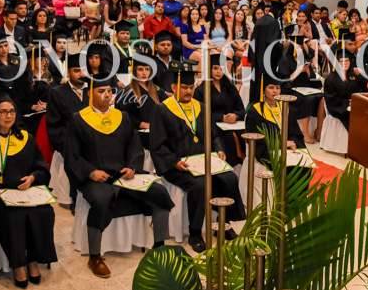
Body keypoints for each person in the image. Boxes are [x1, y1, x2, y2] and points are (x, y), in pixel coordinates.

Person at [65, 75, 174, 277]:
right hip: (96, 177)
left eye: (109, 91)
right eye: (101, 91)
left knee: (159, 191)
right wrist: (91, 172)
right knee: (101, 198)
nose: (107, 95)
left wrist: (132, 167)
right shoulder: (78, 119)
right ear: (90, 94)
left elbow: (134, 147)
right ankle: (95, 256)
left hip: (124, 176)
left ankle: (159, 247)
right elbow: (72, 155)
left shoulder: (122, 117)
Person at [149, 64, 245, 253]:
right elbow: (157, 145)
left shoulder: (201, 107)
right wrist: (174, 161)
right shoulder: (161, 110)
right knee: (199, 185)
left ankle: (223, 224)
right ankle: (194, 232)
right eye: (184, 88)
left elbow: (214, 135)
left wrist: (219, 150)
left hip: (204, 160)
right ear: (174, 88)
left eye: (191, 87)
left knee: (229, 177)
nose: (189, 91)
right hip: (179, 164)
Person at [0, 93, 57, 288]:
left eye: (11, 111)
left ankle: (33, 259)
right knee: (13, 216)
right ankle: (18, 263)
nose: (8, 116)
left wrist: (33, 178)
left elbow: (40, 166)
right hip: (0, 196)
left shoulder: (25, 138)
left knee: (44, 212)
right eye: (3, 112)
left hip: (26, 192)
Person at [44, 53, 89, 206]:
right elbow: (54, 125)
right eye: (77, 70)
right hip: (68, 146)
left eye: (84, 70)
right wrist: (70, 147)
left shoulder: (93, 92)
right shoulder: (57, 93)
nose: (81, 74)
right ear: (68, 72)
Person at [194, 62, 245, 166]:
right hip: (214, 126)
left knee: (244, 135)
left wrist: (236, 115)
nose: (219, 72)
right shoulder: (201, 90)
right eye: (215, 68)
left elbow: (241, 110)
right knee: (230, 137)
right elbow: (199, 114)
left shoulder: (230, 88)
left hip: (234, 124)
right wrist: (220, 118)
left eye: (221, 69)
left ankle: (244, 166)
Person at [323, 44, 367, 130]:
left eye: (347, 61)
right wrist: (347, 103)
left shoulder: (353, 76)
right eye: (341, 61)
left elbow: (360, 90)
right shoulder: (331, 79)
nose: (345, 63)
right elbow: (332, 98)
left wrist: (356, 99)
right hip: (339, 108)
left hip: (354, 104)